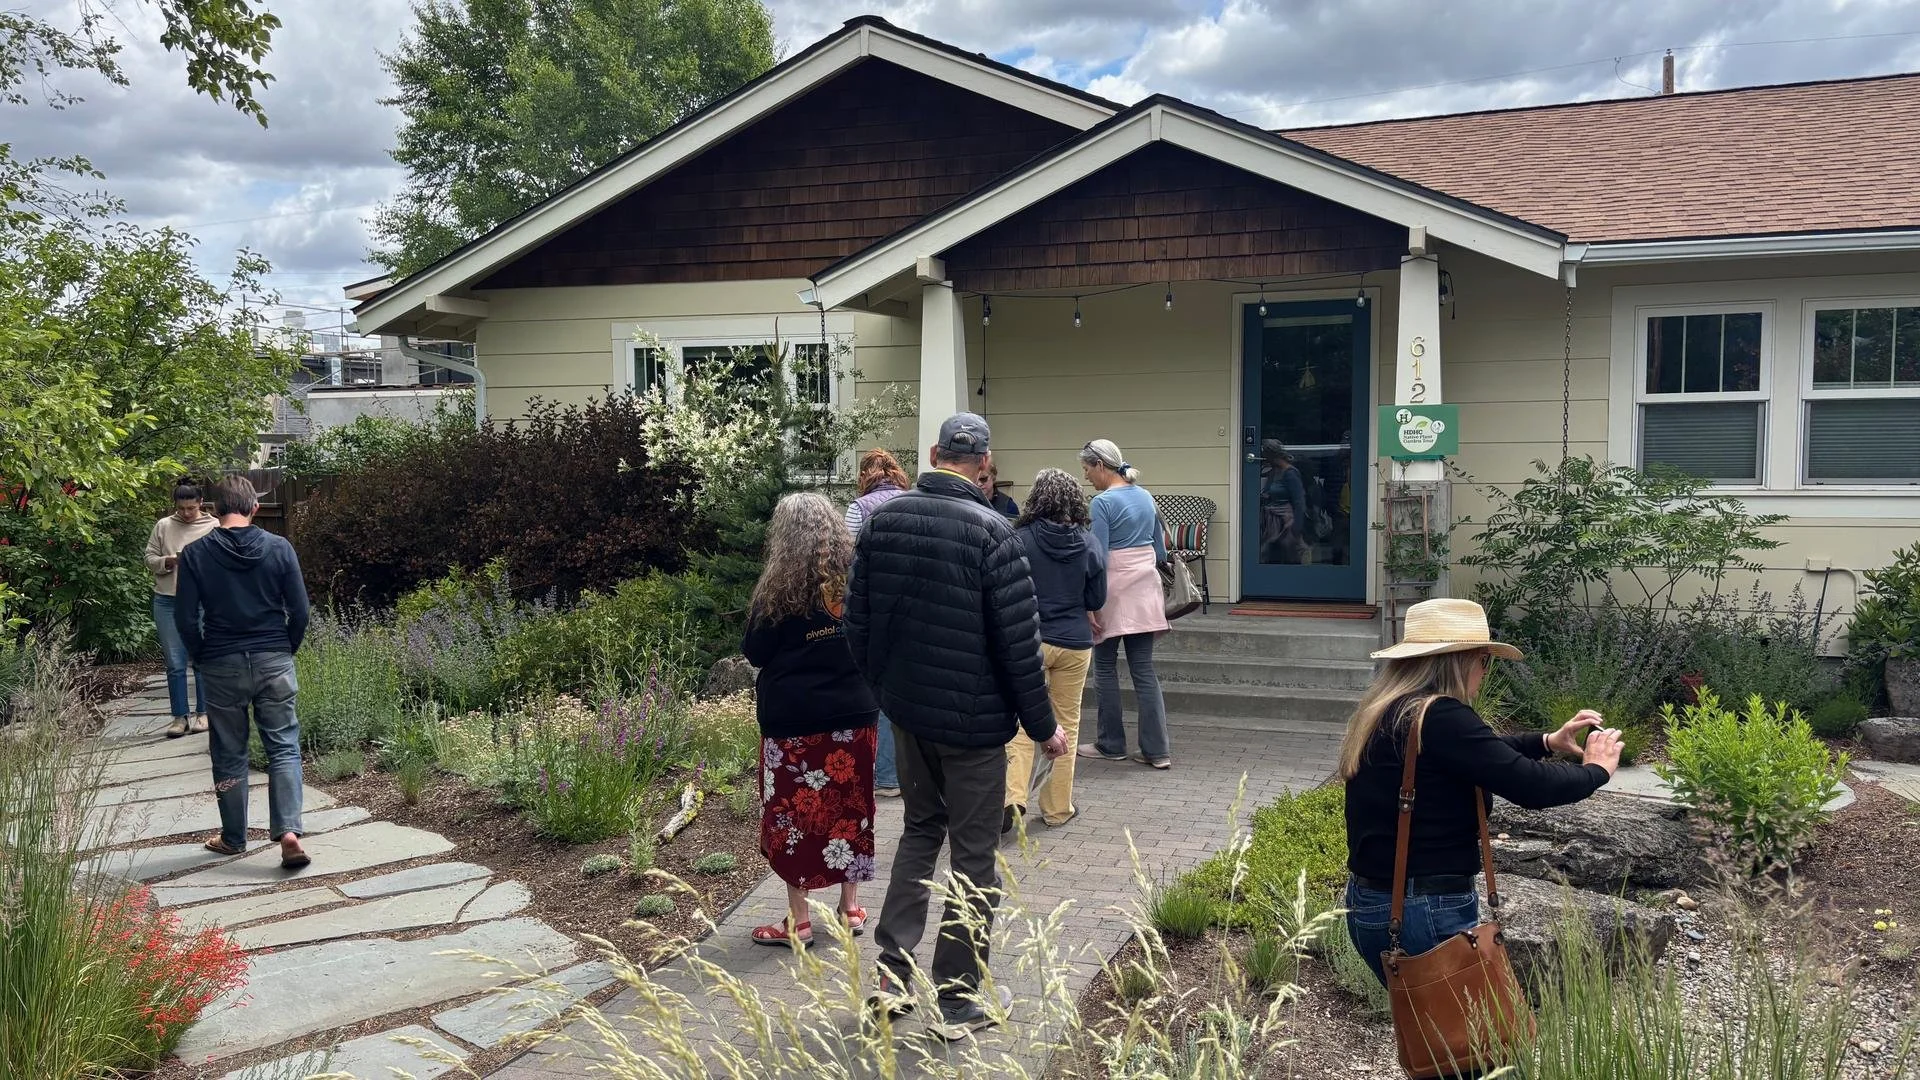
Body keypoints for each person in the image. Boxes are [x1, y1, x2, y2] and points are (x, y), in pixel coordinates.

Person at [845, 411, 1068, 1040]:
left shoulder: (882, 522)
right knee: (973, 854)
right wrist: (1044, 726)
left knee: (920, 831)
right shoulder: (995, 534)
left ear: (934, 453)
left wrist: (886, 691)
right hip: (973, 727)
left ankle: (891, 979)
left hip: (910, 716)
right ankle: (957, 999)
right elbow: (1019, 649)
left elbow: (856, 624)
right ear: (984, 463)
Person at [1339, 598, 1623, 985]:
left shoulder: (1390, 710)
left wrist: (1545, 741)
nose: (1485, 672)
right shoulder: (1441, 716)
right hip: (1424, 908)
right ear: (1460, 661)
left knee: (1425, 1021)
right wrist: (1596, 770)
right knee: (1467, 1025)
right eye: (1485, 660)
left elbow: (1480, 754)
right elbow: (1531, 786)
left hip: (1373, 904)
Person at [741, 492, 878, 947]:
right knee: (852, 809)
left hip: (794, 719)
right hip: (854, 713)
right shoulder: (857, 581)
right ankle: (850, 908)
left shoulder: (776, 589)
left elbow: (755, 651)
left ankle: (799, 922)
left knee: (792, 816)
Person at [175, 476, 313, 869]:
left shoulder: (195, 554)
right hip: (273, 658)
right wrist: (285, 648)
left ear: (214, 509)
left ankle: (234, 838)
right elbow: (300, 611)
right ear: (254, 508)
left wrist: (201, 656)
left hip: (222, 661)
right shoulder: (279, 548)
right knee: (283, 746)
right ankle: (288, 832)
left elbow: (185, 618)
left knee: (228, 751)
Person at [1004, 468, 1106, 833]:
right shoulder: (1089, 543)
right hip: (1074, 643)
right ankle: (1057, 808)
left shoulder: (1019, 539)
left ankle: (1012, 798)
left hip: (1029, 641)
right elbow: (1096, 598)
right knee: (1067, 725)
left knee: (1019, 722)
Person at [1076, 439, 1173, 769]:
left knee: (1104, 666)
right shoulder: (1145, 496)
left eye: (1087, 469)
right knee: (1143, 669)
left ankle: (1111, 743)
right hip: (1145, 589)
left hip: (1113, 591)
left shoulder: (1102, 503)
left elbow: (1098, 556)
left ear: (1100, 465)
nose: (1086, 476)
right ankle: (1157, 751)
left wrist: (1089, 603)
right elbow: (1160, 552)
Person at [843, 448, 912, 798]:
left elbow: (846, 561)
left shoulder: (859, 509)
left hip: (873, 610)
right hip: (913, 608)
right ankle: (909, 772)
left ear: (864, 477)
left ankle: (885, 775)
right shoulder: (913, 503)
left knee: (876, 689)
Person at [145, 482, 219, 738]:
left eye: (191, 508)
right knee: (175, 663)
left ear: (201, 503)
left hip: (202, 601)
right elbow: (149, 558)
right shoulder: (163, 526)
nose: (186, 513)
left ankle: (204, 713)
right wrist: (169, 561)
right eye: (181, 508)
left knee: (202, 659)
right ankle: (179, 717)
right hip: (168, 600)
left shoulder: (213, 526)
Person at [1258, 440, 1310, 565]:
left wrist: (1296, 528)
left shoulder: (1290, 473)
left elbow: (1299, 501)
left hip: (1286, 521)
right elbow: (1268, 492)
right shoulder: (1274, 472)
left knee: (1289, 554)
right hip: (1271, 521)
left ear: (1272, 455)